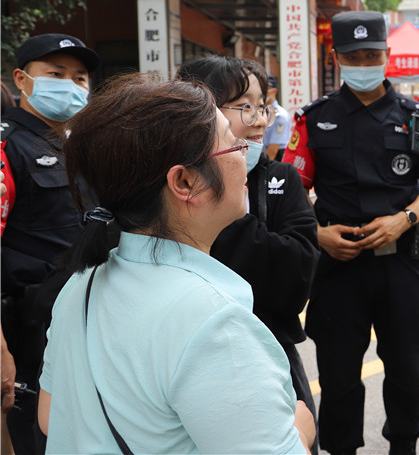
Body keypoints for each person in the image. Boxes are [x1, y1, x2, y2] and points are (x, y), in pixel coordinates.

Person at [37, 74, 314, 453]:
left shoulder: (79, 287)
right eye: (232, 144)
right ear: (184, 182)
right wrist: (301, 430)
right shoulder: (215, 323)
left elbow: (50, 415)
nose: (244, 151)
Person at [282, 11, 419, 455]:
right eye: (353, 56)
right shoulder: (313, 119)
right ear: (337, 58)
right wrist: (318, 235)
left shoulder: (415, 117)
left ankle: (404, 446)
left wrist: (404, 219)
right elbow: (291, 189)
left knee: (408, 372)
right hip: (339, 270)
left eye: (371, 55)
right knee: (338, 377)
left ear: (386, 54)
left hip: (402, 267)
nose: (363, 64)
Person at [175, 55, 320, 452]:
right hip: (186, 360)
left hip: (270, 355)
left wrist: (226, 205)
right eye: (244, 107)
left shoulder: (281, 178)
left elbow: (297, 278)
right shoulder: (169, 188)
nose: (260, 121)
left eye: (263, 106)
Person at [0, 33, 100, 453]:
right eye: (56, 75)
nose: (70, 86)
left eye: (79, 78)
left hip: (80, 322)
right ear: (22, 80)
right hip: (27, 335)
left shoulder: (80, 146)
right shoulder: (6, 146)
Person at [264, 74, 292, 160]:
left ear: (274, 91)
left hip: (274, 161)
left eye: (266, 89)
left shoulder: (279, 115)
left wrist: (261, 166)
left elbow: (273, 150)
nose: (262, 93)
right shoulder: (262, 111)